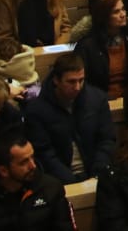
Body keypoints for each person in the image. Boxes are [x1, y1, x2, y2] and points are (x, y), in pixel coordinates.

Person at [25, 52, 116, 185]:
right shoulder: (36, 110)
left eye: (81, 80)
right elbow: (44, 153)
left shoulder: (97, 100)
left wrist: (98, 173)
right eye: (71, 82)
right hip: (59, 181)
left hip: (96, 173)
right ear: (56, 80)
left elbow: (107, 140)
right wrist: (70, 181)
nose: (77, 87)